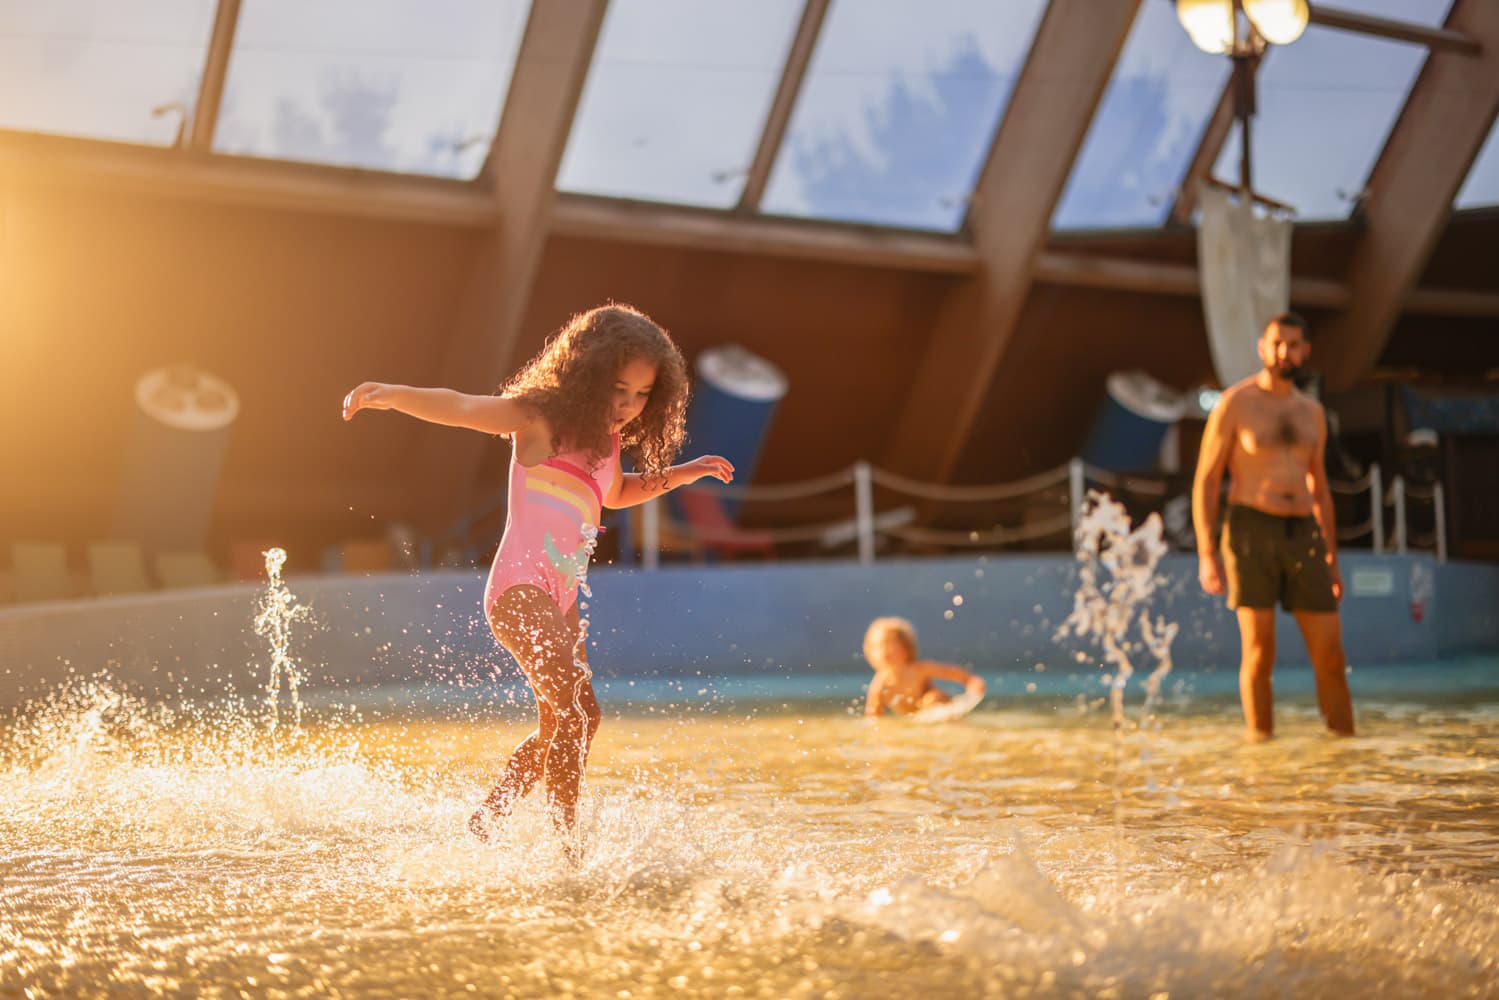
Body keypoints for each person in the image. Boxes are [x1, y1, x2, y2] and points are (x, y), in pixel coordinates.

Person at [342, 304, 734, 847]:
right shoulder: (539, 418)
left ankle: (487, 821)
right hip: (520, 590)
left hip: (562, 598)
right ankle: (566, 851)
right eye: (619, 388)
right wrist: (392, 394)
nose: (628, 405)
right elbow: (461, 406)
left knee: (573, 718)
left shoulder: (609, 444)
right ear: (587, 372)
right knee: (575, 714)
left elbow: (618, 492)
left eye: (643, 394)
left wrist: (684, 473)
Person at [1192, 312, 1354, 741]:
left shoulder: (1312, 412)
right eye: (1277, 343)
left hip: (1303, 530)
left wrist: (1332, 558)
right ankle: (1261, 751)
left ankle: (1345, 750)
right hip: (1251, 528)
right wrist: (1207, 552)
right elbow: (1207, 480)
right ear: (1262, 348)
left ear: (1305, 351)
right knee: (1259, 653)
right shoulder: (1235, 403)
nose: (1285, 352)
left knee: (1331, 656)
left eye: (1293, 345)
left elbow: (1320, 490)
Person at [862, 616, 985, 718]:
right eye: (878, 646)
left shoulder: (918, 669)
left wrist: (971, 681)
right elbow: (873, 716)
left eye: (890, 644)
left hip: (940, 710)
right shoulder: (880, 684)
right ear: (870, 652)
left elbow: (948, 672)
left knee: (934, 697)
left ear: (906, 647)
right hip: (915, 720)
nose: (884, 650)